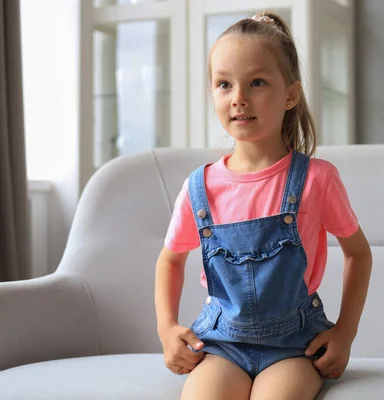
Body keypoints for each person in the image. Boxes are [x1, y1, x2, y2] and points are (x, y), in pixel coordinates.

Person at [154, 11, 372, 400]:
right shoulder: (198, 188)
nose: (239, 98)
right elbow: (170, 260)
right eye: (224, 84)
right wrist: (167, 328)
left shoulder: (317, 180)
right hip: (221, 344)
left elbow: (358, 253)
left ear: (290, 94)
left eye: (257, 82)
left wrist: (345, 332)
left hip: (295, 346)